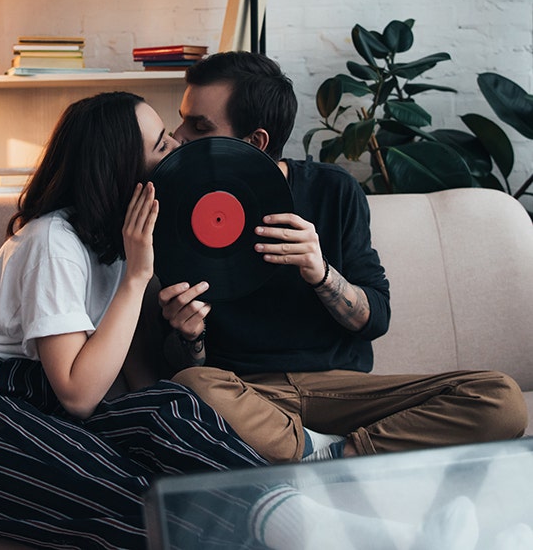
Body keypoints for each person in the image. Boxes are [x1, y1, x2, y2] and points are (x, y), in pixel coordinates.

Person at [0, 91, 269, 550]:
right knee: (135, 504)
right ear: (123, 171)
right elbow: (78, 394)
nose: (178, 148)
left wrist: (182, 347)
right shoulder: (52, 241)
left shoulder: (124, 247)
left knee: (168, 407)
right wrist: (138, 278)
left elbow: (140, 386)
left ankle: (288, 504)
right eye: (161, 144)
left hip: (45, 401)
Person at [158, 51, 528, 464]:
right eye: (182, 119)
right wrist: (190, 336)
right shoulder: (176, 205)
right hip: (248, 396)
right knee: (190, 386)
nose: (177, 135)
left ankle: (330, 455)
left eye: (199, 125)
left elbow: (376, 319)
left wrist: (321, 274)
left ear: (254, 141)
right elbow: (177, 363)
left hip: (344, 391)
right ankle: (324, 451)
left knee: (501, 399)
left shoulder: (334, 189)